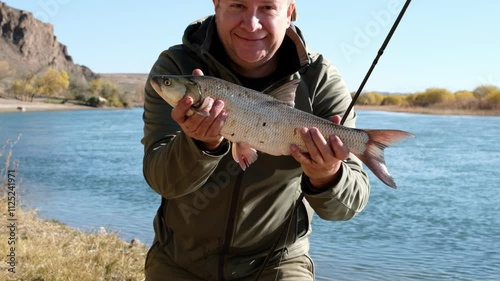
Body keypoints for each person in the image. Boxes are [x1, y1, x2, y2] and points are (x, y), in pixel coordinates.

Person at [142, 0, 370, 280]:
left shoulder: (320, 78)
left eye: (267, 7)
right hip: (180, 259)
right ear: (216, 5)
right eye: (238, 5)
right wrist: (200, 146)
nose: (251, 24)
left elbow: (349, 205)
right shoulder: (177, 67)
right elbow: (162, 181)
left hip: (278, 261)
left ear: (289, 12)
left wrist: (327, 175)